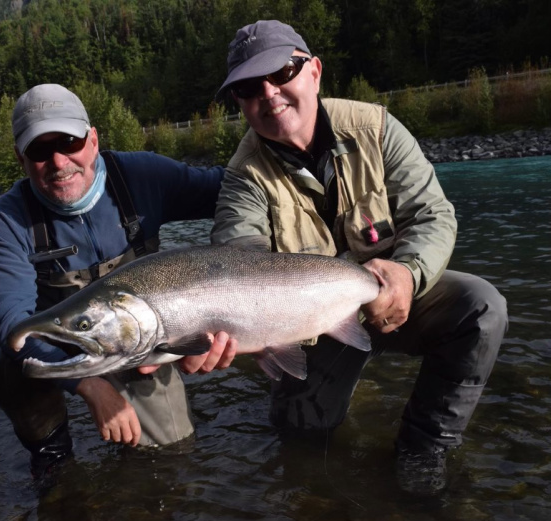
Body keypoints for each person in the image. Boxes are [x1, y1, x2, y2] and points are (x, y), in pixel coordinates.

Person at [211, 20, 508, 495]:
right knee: (302, 433)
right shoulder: (243, 177)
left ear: (314, 72)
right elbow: (235, 260)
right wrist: (219, 331)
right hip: (310, 324)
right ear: (239, 103)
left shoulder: (376, 126)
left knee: (480, 306)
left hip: (392, 296)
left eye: (282, 73)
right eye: (248, 87)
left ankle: (424, 447)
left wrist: (409, 274)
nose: (268, 94)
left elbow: (432, 215)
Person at [0, 83, 236, 478]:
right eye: (39, 150)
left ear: (93, 139)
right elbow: (5, 318)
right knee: (10, 361)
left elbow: (231, 189)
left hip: (141, 341)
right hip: (66, 344)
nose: (58, 161)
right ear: (20, 158)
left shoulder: (141, 176)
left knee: (169, 462)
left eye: (69, 141)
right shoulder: (10, 219)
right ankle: (53, 458)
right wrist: (90, 385)